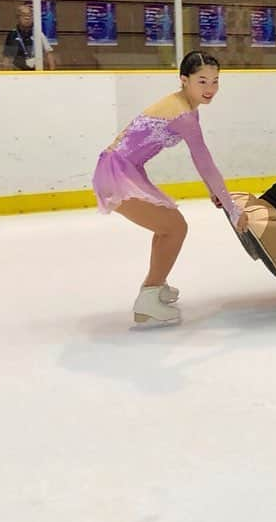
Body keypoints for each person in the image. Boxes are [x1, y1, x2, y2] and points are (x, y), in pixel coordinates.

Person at [92, 51, 247, 327]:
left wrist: (215, 192)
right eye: (202, 81)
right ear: (184, 80)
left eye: (215, 81)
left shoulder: (182, 105)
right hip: (116, 173)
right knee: (174, 228)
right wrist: (233, 210)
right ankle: (148, 299)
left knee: (168, 226)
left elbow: (203, 164)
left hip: (125, 169)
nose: (210, 89)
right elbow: (205, 162)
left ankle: (156, 284)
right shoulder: (183, 114)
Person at [2, 4, 57, 71]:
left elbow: (49, 54)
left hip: (36, 71)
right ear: (18, 17)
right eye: (24, 15)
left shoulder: (38, 34)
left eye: (30, 15)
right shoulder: (12, 34)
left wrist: (52, 74)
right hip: (18, 72)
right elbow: (7, 58)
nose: (27, 18)